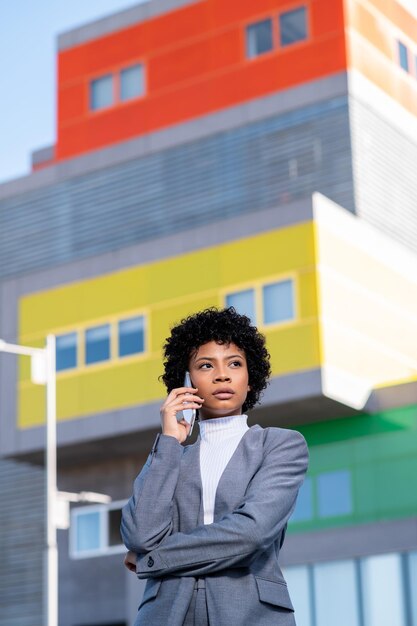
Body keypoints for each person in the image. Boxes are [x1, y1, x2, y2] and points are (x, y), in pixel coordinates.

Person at [121, 307, 309, 626]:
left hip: (251, 615)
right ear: (186, 381)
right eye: (206, 365)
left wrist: (153, 560)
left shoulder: (280, 445)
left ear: (251, 379)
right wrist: (169, 440)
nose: (222, 375)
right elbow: (140, 535)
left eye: (235, 363)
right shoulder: (170, 458)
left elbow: (250, 534)